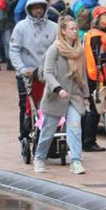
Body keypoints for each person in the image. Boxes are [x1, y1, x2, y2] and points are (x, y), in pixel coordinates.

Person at [35, 16, 89, 174]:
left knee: (75, 127)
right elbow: (48, 73)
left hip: (75, 96)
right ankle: (39, 158)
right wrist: (58, 89)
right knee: (48, 130)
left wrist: (85, 96)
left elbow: (83, 75)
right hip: (56, 96)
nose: (75, 31)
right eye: (71, 29)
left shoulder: (79, 50)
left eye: (76, 28)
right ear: (63, 31)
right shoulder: (55, 49)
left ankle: (76, 161)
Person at [9, 0, 58, 148]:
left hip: (48, 74)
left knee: (50, 105)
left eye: (40, 7)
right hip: (26, 74)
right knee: (26, 105)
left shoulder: (54, 27)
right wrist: (22, 68)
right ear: (29, 9)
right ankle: (24, 135)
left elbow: (59, 50)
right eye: (35, 8)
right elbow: (14, 50)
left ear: (45, 8)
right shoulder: (21, 27)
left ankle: (50, 136)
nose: (38, 10)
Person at [82, 6, 106, 153]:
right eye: (105, 15)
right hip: (95, 77)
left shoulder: (93, 34)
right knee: (94, 110)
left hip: (93, 76)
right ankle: (89, 142)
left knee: (91, 109)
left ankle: (85, 140)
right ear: (98, 18)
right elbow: (98, 58)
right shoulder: (97, 36)